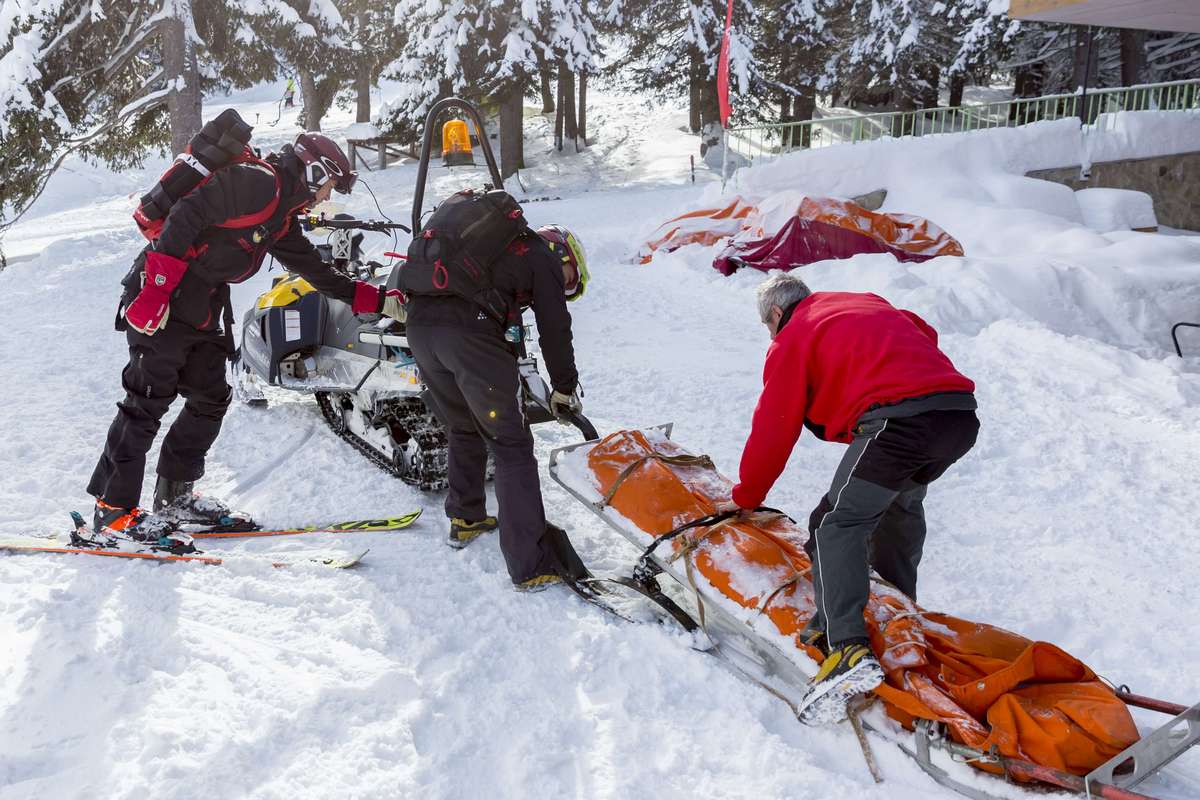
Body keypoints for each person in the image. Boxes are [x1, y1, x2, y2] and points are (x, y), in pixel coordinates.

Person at [88, 132, 403, 545]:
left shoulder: (280, 217)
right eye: (328, 187)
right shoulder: (256, 182)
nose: (326, 199)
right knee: (146, 401)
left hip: (200, 308)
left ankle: (175, 497)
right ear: (314, 172)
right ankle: (112, 511)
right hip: (162, 300)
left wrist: (379, 300)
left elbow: (318, 272)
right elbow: (187, 214)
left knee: (210, 397)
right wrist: (157, 291)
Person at [729, 272, 979, 724]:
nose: (770, 336)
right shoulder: (862, 303)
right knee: (897, 508)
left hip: (898, 424)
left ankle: (846, 651)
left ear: (777, 314)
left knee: (834, 526)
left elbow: (775, 423)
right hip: (956, 415)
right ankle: (896, 609)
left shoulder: (793, 335)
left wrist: (748, 495)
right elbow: (922, 331)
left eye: (768, 327)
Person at [404, 224, 590, 591]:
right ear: (564, 255)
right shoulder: (540, 256)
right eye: (569, 280)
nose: (565, 287)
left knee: (463, 424)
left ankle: (466, 516)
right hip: (466, 334)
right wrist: (565, 387)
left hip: (421, 330)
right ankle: (531, 564)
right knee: (512, 446)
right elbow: (555, 328)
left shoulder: (489, 251)